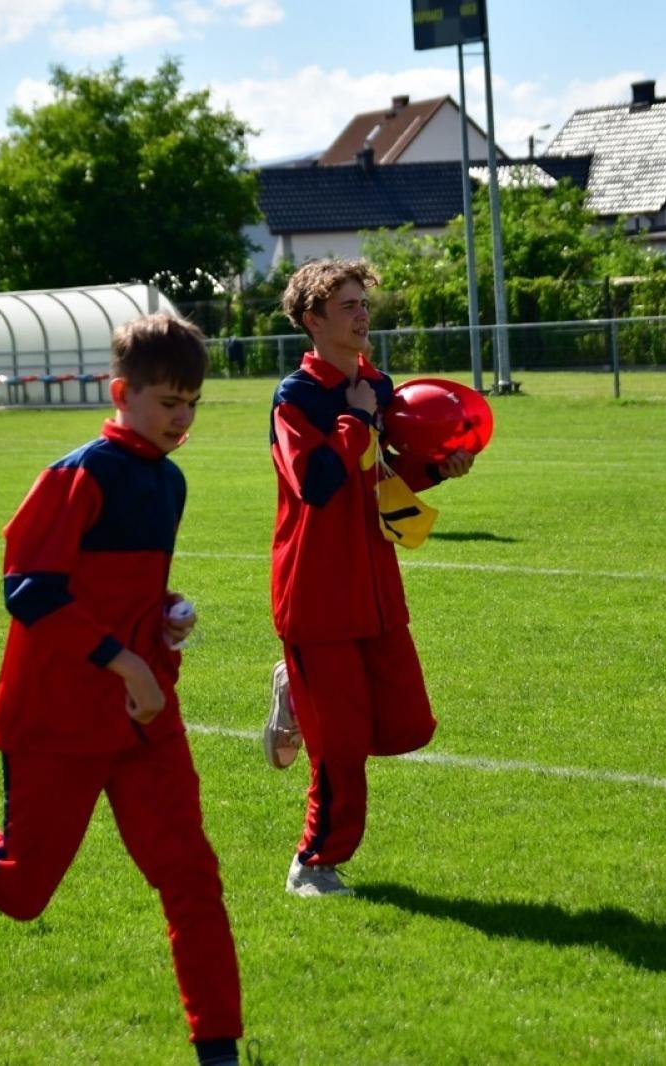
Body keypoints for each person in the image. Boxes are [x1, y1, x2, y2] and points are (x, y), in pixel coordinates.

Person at [0, 312, 244, 1066]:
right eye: (168, 402)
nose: (183, 418)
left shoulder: (169, 481)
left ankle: (219, 1048)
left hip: (143, 722)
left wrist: (165, 619)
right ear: (121, 391)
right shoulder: (78, 474)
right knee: (20, 890)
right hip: (57, 719)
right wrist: (124, 662)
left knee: (191, 877)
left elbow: (125, 589)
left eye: (192, 402)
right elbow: (29, 590)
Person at [263, 259, 475, 897]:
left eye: (362, 303)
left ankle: (294, 692)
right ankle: (314, 863)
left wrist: (439, 470)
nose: (362, 314)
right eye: (347, 305)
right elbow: (318, 485)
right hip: (316, 589)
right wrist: (354, 416)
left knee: (406, 722)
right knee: (343, 745)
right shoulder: (295, 397)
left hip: (374, 581)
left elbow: (381, 483)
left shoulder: (379, 388)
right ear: (313, 321)